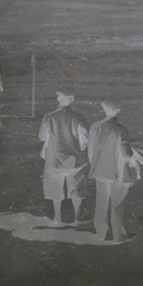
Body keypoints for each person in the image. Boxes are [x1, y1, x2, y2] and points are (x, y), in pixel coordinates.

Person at [88, 100, 143, 242]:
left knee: (101, 201)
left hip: (99, 169)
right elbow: (126, 153)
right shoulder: (121, 129)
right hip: (116, 170)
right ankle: (118, 234)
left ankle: (101, 232)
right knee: (118, 202)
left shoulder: (95, 126)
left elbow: (91, 151)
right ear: (118, 111)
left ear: (104, 109)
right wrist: (135, 155)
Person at [39, 89, 89, 225]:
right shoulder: (79, 117)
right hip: (75, 160)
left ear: (58, 100)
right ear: (72, 100)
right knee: (77, 189)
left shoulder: (48, 117)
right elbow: (84, 139)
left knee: (55, 189)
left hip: (55, 159)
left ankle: (57, 218)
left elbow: (42, 137)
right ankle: (78, 218)